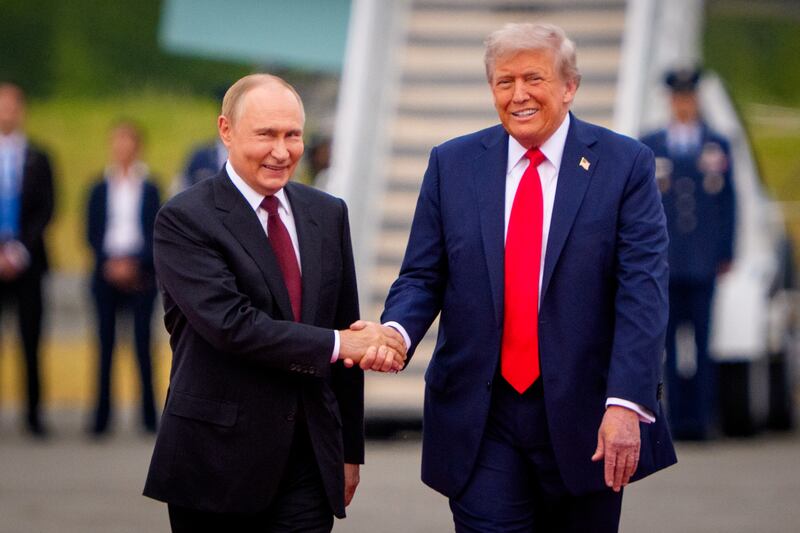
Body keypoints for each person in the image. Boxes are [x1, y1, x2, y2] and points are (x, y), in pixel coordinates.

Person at [363, 23, 677, 531]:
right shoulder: (452, 164)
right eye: (504, 82)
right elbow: (422, 275)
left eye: (534, 78)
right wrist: (394, 333)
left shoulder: (625, 165)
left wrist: (626, 403)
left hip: (587, 418)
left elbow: (643, 292)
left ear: (569, 86)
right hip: (483, 416)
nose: (519, 95)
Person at [143, 74, 406, 532]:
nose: (282, 151)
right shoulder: (185, 219)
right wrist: (341, 344)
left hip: (306, 461)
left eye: (293, 134)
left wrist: (347, 451)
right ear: (226, 130)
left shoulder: (327, 213)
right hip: (215, 462)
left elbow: (345, 326)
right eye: (266, 134)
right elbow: (233, 326)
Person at [641, 67, 736, 440]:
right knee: (661, 346)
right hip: (663, 262)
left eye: (689, 97)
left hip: (702, 260)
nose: (683, 104)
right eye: (678, 98)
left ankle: (701, 418)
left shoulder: (715, 143)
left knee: (702, 343)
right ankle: (670, 418)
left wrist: (726, 251)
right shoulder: (651, 144)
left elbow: (728, 203)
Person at [86, 120, 161, 436]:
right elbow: (91, 230)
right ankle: (101, 417)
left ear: (138, 145)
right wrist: (110, 263)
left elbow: (156, 229)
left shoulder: (151, 186)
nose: (123, 147)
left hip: (141, 274)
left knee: (144, 345)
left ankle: (148, 417)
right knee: (104, 345)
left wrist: (136, 263)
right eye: (117, 141)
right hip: (106, 271)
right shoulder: (99, 187)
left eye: (128, 141)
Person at [0, 82, 55, 438]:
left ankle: (34, 415)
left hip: (28, 260)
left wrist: (19, 248)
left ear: (22, 110)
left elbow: (48, 207)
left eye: (12, 105)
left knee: (31, 338)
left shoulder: (38, 156)